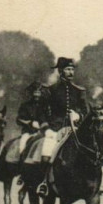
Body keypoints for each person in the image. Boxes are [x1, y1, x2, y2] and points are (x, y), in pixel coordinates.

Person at [37, 57, 89, 196]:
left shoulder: (79, 91)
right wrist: (46, 128)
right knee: (47, 152)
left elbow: (86, 111)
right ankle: (43, 183)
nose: (71, 72)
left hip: (74, 130)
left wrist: (78, 116)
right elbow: (41, 111)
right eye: (67, 69)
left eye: (72, 69)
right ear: (60, 71)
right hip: (55, 129)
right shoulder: (50, 90)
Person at [16, 84, 50, 156]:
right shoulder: (25, 105)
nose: (37, 95)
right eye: (35, 92)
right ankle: (21, 163)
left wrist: (45, 125)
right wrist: (30, 123)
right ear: (32, 93)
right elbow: (19, 119)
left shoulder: (45, 107)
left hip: (43, 132)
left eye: (39, 92)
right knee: (22, 145)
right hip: (29, 132)